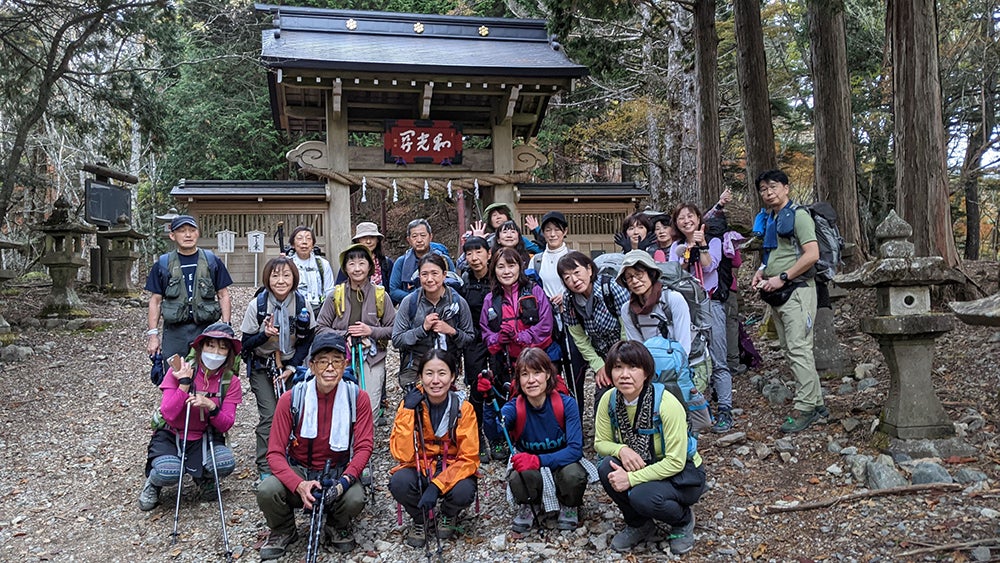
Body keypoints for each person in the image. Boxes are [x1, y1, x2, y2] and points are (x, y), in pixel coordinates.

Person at [256, 333, 373, 558]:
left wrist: (343, 483)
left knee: (355, 497)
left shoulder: (358, 398)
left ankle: (336, 524)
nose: (330, 367)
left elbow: (364, 447)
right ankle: (283, 528)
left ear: (345, 364)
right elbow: (275, 453)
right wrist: (298, 484)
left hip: (337, 469)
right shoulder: (290, 399)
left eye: (337, 360)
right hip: (300, 467)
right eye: (322, 361)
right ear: (311, 365)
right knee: (267, 490)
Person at [595, 340, 705, 555]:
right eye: (618, 367)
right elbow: (600, 442)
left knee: (641, 495)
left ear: (646, 372)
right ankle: (639, 524)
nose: (624, 374)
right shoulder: (609, 399)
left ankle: (682, 521)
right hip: (643, 461)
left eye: (633, 367)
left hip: (682, 474)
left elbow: (676, 461)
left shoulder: (666, 403)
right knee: (606, 467)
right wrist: (621, 450)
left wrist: (631, 479)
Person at [480, 347, 596, 533]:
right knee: (518, 474)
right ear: (518, 380)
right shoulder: (514, 407)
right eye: (525, 374)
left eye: (537, 372)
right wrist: (487, 401)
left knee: (573, 474)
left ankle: (569, 503)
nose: (531, 380)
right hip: (530, 469)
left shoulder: (566, 404)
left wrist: (538, 460)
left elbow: (575, 450)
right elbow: (495, 430)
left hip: (561, 462)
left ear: (548, 375)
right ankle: (529, 504)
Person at [751, 169, 828, 433]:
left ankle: (805, 407)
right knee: (791, 348)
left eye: (773, 186)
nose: (768, 192)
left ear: (786, 188)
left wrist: (783, 277)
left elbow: (812, 254)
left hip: (797, 290)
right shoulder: (771, 219)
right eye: (763, 189)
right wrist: (762, 271)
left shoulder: (799, 216)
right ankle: (816, 404)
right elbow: (772, 253)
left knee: (798, 348)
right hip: (778, 292)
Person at [140, 323, 243, 511]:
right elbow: (168, 413)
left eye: (222, 348)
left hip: (204, 436)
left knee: (224, 463)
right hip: (172, 434)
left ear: (229, 354)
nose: (215, 352)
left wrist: (211, 407)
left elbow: (226, 424)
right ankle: (154, 483)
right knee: (168, 472)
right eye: (210, 345)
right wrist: (184, 385)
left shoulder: (230, 381)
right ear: (200, 347)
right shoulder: (178, 370)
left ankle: (203, 478)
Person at [389, 348, 480, 548]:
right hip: (422, 465)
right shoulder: (411, 405)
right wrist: (406, 412)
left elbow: (469, 458)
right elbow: (401, 454)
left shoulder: (463, 409)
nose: (435, 380)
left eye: (442, 373)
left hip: (452, 466)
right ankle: (421, 518)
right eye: (429, 374)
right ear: (421, 376)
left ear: (453, 376)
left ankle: (448, 513)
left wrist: (436, 486)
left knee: (464, 490)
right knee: (399, 482)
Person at [240, 256, 315, 482]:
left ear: (294, 278)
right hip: (262, 366)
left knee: (297, 412)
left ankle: (294, 458)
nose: (280, 281)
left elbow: (308, 339)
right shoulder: (258, 305)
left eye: (286, 275)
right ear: (267, 279)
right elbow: (245, 343)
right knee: (270, 415)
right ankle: (265, 464)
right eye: (275, 276)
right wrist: (264, 335)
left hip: (290, 363)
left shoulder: (301, 304)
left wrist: (293, 366)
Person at [669, 203, 734, 434]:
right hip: (686, 307)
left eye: (690, 216)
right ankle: (694, 408)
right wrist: (687, 251)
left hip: (710, 303)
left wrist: (702, 244)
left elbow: (710, 266)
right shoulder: (676, 247)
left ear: (698, 218)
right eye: (681, 217)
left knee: (717, 354)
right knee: (690, 355)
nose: (686, 220)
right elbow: (678, 273)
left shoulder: (714, 240)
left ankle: (725, 408)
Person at [315, 243, 396, 420]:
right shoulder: (334, 295)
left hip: (373, 357)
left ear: (370, 267)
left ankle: (364, 445)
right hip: (339, 356)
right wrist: (344, 335)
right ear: (345, 268)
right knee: (340, 405)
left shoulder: (380, 295)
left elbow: (394, 329)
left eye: (362, 263)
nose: (357, 268)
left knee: (369, 406)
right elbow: (320, 327)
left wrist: (370, 331)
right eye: (351, 264)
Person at [144, 215, 233, 374]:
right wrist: (153, 335)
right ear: (172, 235)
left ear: (198, 233)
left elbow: (223, 294)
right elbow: (156, 301)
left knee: (208, 374)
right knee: (174, 374)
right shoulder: (163, 264)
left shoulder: (212, 261)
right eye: (182, 231)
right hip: (175, 331)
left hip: (207, 328)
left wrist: (226, 326)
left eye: (192, 230)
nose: (188, 235)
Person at [392, 253, 476, 389]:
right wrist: (422, 329)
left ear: (444, 275)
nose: (429, 279)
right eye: (424, 274)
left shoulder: (458, 302)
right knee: (416, 407)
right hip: (416, 364)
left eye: (434, 273)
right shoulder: (409, 302)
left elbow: (469, 339)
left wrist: (452, 331)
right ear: (419, 276)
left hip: (447, 363)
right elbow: (396, 340)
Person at [558, 251, 629, 409]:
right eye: (567, 277)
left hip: (627, 352)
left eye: (577, 272)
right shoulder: (569, 300)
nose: (574, 280)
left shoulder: (611, 287)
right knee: (602, 402)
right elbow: (579, 339)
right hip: (602, 357)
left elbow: (627, 327)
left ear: (589, 270)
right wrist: (600, 367)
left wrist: (619, 361)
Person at [458, 236, 493, 463]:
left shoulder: (498, 278)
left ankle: (499, 436)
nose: (474, 257)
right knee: (476, 389)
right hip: (474, 341)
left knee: (499, 385)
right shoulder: (464, 281)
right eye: (469, 253)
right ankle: (477, 436)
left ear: (488, 254)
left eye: (478, 251)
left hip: (497, 338)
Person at [389, 219, 456, 306]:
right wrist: (417, 298)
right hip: (411, 308)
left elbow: (454, 284)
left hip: (441, 306)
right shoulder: (401, 262)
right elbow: (393, 290)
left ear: (430, 237)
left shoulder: (443, 260)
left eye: (423, 235)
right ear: (408, 240)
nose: (419, 240)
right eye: (414, 236)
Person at [287, 225, 335, 315]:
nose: (304, 242)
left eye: (308, 239)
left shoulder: (323, 264)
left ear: (313, 244)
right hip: (293, 311)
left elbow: (329, 291)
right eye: (300, 238)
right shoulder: (287, 264)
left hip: (319, 311)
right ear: (293, 244)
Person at [336, 222, 394, 289]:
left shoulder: (386, 263)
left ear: (377, 240)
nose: (368, 241)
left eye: (372, 237)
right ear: (358, 240)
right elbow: (340, 287)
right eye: (364, 238)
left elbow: (392, 289)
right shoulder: (349, 262)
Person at [474, 202, 542, 253]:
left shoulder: (519, 238)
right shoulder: (488, 240)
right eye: (494, 215)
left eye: (501, 213)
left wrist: (537, 231)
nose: (498, 217)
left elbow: (540, 251)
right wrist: (478, 241)